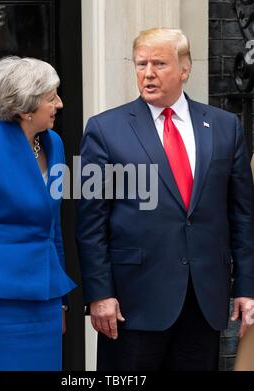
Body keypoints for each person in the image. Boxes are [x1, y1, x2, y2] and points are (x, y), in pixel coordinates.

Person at [76, 28, 254, 371]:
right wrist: (99, 294)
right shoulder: (104, 129)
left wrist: (246, 286)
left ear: (184, 69)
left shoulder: (224, 127)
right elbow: (90, 222)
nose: (148, 73)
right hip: (132, 304)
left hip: (203, 302)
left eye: (159, 63)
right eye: (141, 64)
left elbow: (242, 215)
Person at [0, 56, 76, 371]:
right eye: (51, 98)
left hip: (46, 301)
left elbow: (54, 227)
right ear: (25, 109)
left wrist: (61, 299)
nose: (59, 104)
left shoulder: (55, 145)